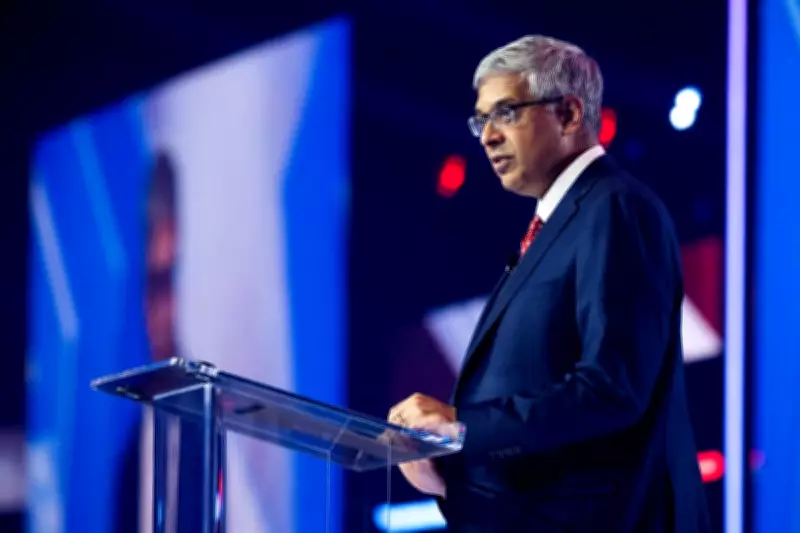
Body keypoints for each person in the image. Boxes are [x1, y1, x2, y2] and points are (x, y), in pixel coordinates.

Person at [388, 35, 712, 532]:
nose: (487, 136)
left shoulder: (615, 208)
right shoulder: (553, 227)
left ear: (569, 114)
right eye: (481, 120)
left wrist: (461, 428)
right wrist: (449, 473)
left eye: (506, 113)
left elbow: (612, 389)